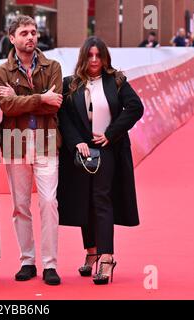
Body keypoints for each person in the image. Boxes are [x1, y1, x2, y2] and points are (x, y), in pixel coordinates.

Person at [57, 36, 144, 285]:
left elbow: (136, 108)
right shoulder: (70, 83)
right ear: (84, 57)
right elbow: (64, 116)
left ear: (105, 57)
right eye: (90, 55)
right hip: (81, 152)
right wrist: (76, 142)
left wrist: (111, 133)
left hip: (107, 148)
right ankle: (91, 251)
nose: (94, 60)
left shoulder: (116, 81)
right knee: (85, 200)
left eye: (99, 55)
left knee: (101, 198)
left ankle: (107, 258)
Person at [0, 15, 63, 286]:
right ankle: (27, 260)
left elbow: (55, 104)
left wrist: (20, 99)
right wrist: (39, 98)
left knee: (48, 202)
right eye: (24, 33)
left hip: (46, 140)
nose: (30, 37)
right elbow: (7, 107)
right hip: (14, 142)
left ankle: (50, 264)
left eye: (33, 32)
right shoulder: (0, 72)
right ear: (12, 38)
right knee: (20, 206)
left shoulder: (53, 66)